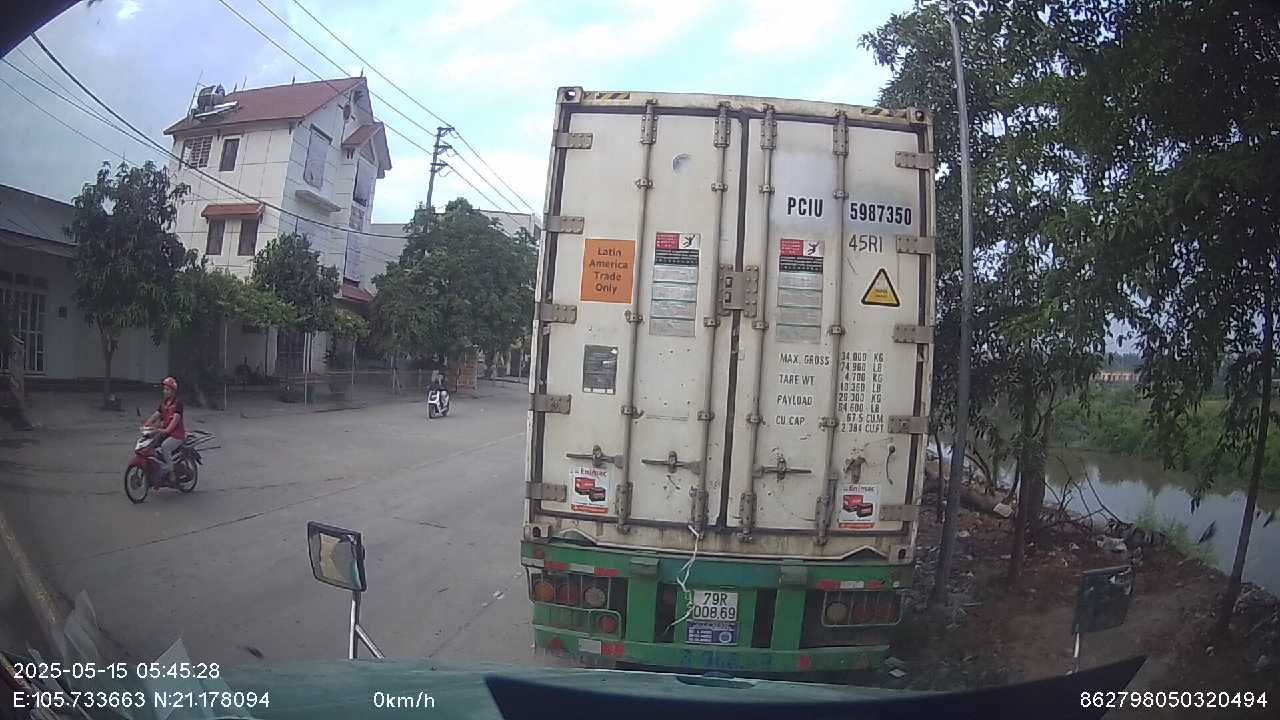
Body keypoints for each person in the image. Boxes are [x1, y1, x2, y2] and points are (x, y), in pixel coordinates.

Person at [143, 376, 186, 481]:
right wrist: (147, 424)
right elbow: (157, 414)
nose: (164, 391)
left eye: (167, 389)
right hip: (166, 433)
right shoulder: (164, 403)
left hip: (177, 435)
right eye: (164, 389)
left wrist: (166, 430)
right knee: (151, 444)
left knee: (165, 446)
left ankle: (171, 473)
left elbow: (175, 420)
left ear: (173, 391)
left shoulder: (178, 404)